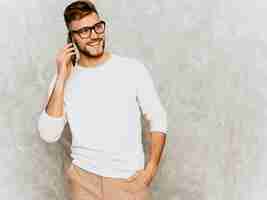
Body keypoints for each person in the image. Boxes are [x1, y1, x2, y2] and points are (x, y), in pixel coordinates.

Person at [37, 1, 168, 199]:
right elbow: (49, 134)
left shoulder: (131, 69)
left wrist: (150, 170)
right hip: (83, 181)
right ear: (71, 38)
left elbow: (158, 117)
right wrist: (62, 77)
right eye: (84, 31)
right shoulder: (62, 79)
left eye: (97, 27)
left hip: (128, 181)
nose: (94, 35)